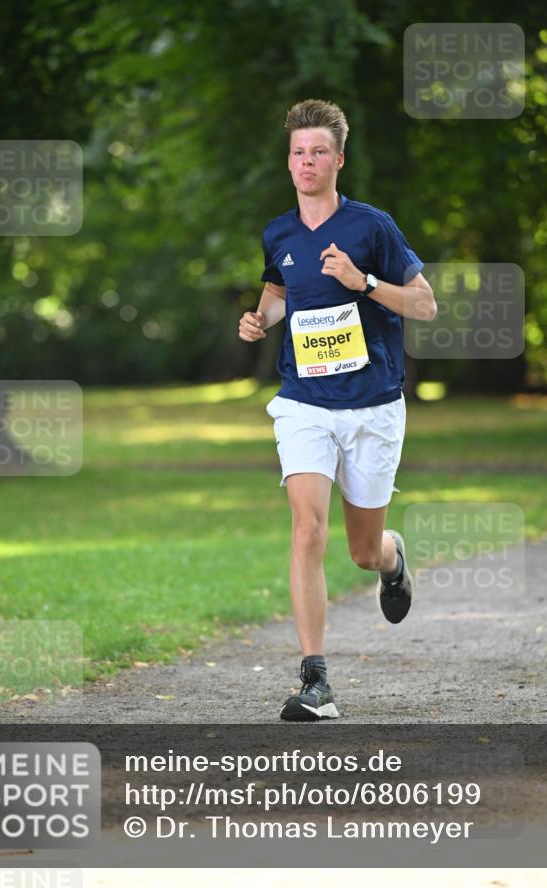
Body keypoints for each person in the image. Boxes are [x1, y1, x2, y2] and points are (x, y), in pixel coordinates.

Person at [238, 99, 437, 721]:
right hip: (303, 403)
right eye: (298, 152)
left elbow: (425, 306)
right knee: (306, 526)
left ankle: (392, 558)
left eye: (318, 150)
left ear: (338, 159)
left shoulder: (371, 228)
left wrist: (365, 284)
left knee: (361, 549)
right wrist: (258, 318)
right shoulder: (279, 233)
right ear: (288, 161)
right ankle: (316, 682)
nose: (306, 161)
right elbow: (278, 292)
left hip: (373, 405)